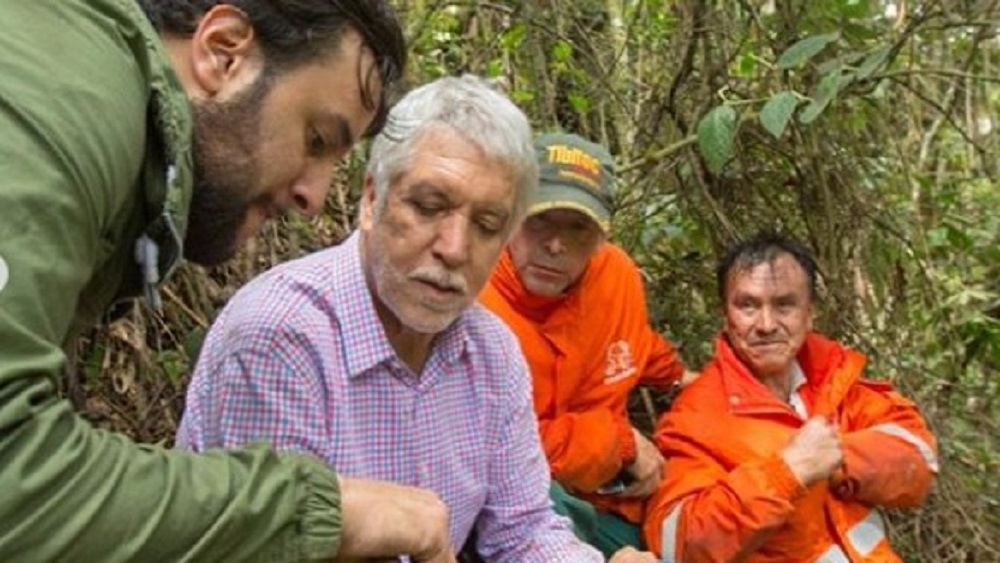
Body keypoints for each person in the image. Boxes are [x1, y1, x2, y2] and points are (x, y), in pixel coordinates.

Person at [0, 1, 455, 561]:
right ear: (223, 52)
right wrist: (322, 512)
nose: (314, 198)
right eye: (316, 140)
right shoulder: (63, 100)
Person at [178, 75, 656, 563]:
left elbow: (524, 530)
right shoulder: (282, 337)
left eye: (487, 226)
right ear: (371, 200)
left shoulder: (490, 352)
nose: (454, 248)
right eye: (428, 207)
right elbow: (279, 550)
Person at [643, 232, 939, 562]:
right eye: (748, 305)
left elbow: (920, 458)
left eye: (784, 304)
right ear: (726, 317)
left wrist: (838, 459)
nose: (766, 324)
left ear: (809, 313)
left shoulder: (834, 378)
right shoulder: (695, 417)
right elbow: (678, 544)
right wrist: (787, 473)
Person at [478, 132, 694, 556]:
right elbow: (504, 447)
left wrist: (684, 379)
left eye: (577, 228)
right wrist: (622, 443)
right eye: (540, 220)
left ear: (600, 237)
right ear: (509, 216)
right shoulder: (473, 300)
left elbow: (633, 343)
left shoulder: (616, 276)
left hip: (614, 501)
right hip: (523, 501)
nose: (555, 245)